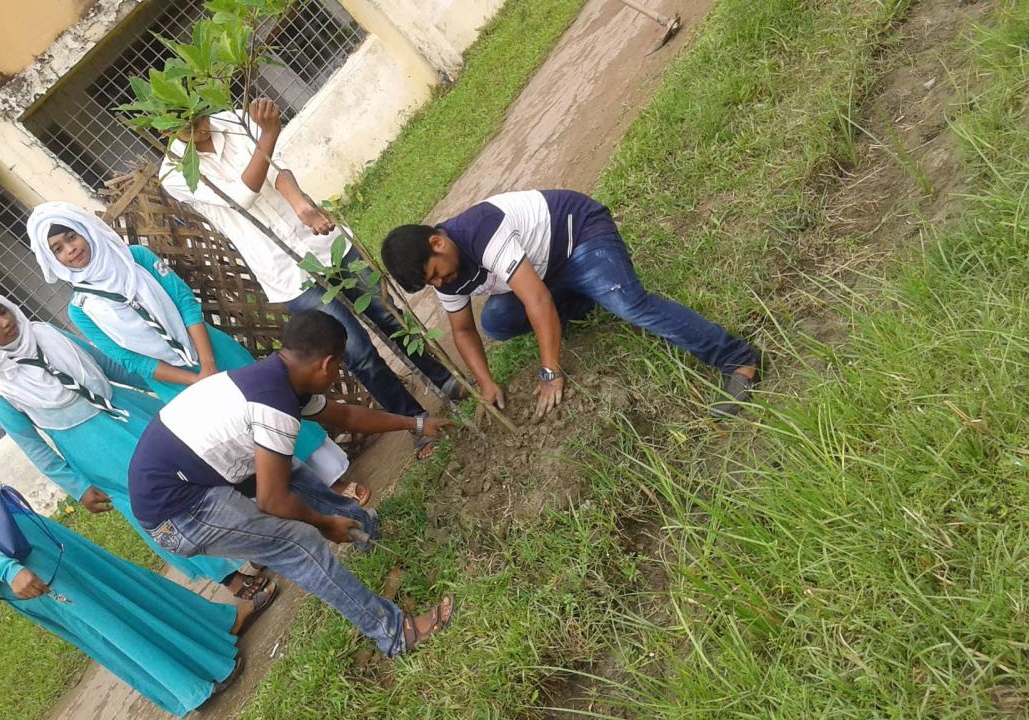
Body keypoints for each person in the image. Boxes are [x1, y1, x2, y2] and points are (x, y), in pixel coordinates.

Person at [0, 385, 259, 716]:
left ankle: (213, 628)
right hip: (20, 566)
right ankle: (192, 685)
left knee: (119, 585)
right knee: (105, 622)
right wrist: (10, 571)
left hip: (36, 539)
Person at [128, 312, 456, 657]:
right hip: (179, 512)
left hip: (191, 478)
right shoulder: (273, 403)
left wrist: (416, 424)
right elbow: (272, 501)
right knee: (297, 544)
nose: (338, 373)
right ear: (326, 364)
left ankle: (365, 529)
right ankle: (394, 633)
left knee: (289, 470)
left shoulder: (279, 379)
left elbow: (345, 415)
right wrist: (325, 524)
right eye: (339, 365)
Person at [159, 101, 466, 459]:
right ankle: (415, 422)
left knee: (391, 315)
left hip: (323, 241)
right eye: (187, 125)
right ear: (164, 129)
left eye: (199, 115)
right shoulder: (175, 172)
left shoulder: (230, 120)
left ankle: (447, 380)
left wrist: (302, 206)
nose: (201, 126)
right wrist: (269, 133)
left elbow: (276, 170)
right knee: (357, 352)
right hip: (286, 271)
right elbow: (241, 196)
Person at [0, 289, 278, 604]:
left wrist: (165, 383)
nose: (5, 322)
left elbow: (105, 364)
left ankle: (256, 536)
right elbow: (32, 445)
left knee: (199, 466)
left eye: (2, 311)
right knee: (161, 507)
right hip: (94, 448)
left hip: (130, 410)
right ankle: (229, 577)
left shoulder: (45, 333)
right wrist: (78, 487)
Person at [26, 201, 369, 504]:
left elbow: (185, 302)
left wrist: (207, 364)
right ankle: (307, 498)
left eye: (71, 237)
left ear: (86, 230)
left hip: (211, 350)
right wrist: (195, 380)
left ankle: (332, 479)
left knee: (274, 407)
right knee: (242, 440)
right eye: (58, 249)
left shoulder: (137, 259)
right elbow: (130, 360)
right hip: (174, 385)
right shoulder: (81, 309)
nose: (70, 250)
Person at [381, 189, 761, 419]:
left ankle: (737, 359)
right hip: (545, 271)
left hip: (581, 235)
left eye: (436, 274)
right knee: (496, 321)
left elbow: (536, 299)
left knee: (629, 305)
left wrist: (550, 371)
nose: (440, 284)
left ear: (438, 243)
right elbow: (463, 330)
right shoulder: (443, 273)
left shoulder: (480, 231)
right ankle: (583, 298)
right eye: (431, 283)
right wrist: (486, 383)